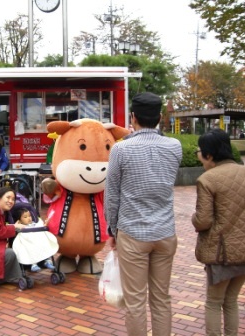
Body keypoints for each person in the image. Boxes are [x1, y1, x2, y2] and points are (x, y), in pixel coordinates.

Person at [104, 92, 183, 336]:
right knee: (161, 299)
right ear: (160, 117)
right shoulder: (175, 146)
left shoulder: (121, 149)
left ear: (133, 117)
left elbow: (112, 195)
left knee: (135, 302)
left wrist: (112, 229)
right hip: (165, 232)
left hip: (133, 232)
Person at [191, 128, 245, 336]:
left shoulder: (207, 179)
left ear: (209, 155)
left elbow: (203, 221)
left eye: (200, 151)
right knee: (230, 301)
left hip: (222, 254)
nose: (199, 155)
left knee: (213, 302)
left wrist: (193, 218)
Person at [13, 207, 55, 272]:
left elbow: (40, 227)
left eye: (29, 216)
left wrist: (45, 225)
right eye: (25, 217)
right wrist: (16, 225)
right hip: (28, 243)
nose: (29, 218)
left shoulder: (34, 224)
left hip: (38, 242)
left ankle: (48, 261)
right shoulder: (20, 227)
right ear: (20, 220)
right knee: (30, 249)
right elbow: (14, 228)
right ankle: (33, 264)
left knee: (46, 243)